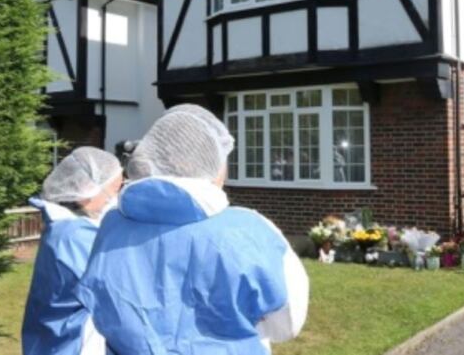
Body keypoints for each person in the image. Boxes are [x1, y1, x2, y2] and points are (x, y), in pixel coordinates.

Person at [76, 105, 309, 354]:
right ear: (211, 162)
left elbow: (99, 304)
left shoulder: (111, 226)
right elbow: (286, 324)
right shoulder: (251, 229)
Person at [22, 147, 123, 355]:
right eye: (114, 190)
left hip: (53, 341)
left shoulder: (63, 228)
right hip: (74, 344)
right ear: (87, 191)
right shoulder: (75, 236)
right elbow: (113, 291)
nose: (116, 198)